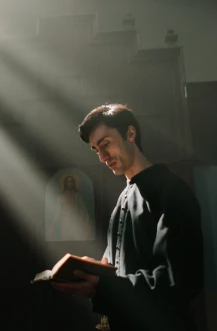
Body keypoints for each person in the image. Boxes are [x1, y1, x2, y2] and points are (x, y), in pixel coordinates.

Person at [52, 104, 203, 331]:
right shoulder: (124, 197)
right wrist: (95, 269)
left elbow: (178, 282)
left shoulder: (170, 191)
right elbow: (117, 268)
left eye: (106, 144)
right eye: (96, 150)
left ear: (130, 134)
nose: (102, 157)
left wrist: (103, 286)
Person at [47, 174, 93, 241]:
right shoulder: (61, 197)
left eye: (71, 181)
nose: (69, 183)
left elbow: (84, 211)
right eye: (68, 181)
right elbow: (57, 213)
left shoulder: (77, 197)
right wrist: (52, 227)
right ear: (65, 183)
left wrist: (87, 225)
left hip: (77, 222)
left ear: (73, 183)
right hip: (65, 223)